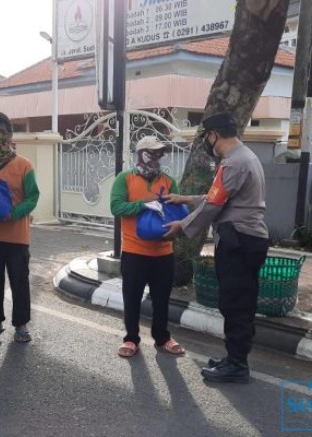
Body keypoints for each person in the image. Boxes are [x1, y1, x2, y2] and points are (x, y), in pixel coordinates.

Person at [163, 112, 269, 383]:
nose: (208, 142)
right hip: (246, 239)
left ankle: (236, 365)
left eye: (207, 137)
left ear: (214, 135)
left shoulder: (233, 163)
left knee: (235, 304)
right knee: (240, 302)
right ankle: (235, 358)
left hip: (239, 241)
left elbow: (213, 205)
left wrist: (182, 227)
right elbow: (215, 197)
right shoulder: (245, 157)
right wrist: (185, 198)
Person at [110, 135, 186, 358]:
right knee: (132, 297)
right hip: (135, 252)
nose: (156, 157)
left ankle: (162, 337)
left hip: (163, 252)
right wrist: (144, 206)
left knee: (162, 298)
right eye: (151, 153)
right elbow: (116, 207)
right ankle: (131, 338)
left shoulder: (169, 181)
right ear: (140, 154)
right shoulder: (125, 179)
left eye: (160, 153)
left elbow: (177, 209)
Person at [0, 112, 40, 343]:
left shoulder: (24, 165)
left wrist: (14, 214)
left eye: (0, 132)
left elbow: (33, 197)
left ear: (10, 135)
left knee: (19, 280)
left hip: (16, 235)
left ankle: (21, 325)